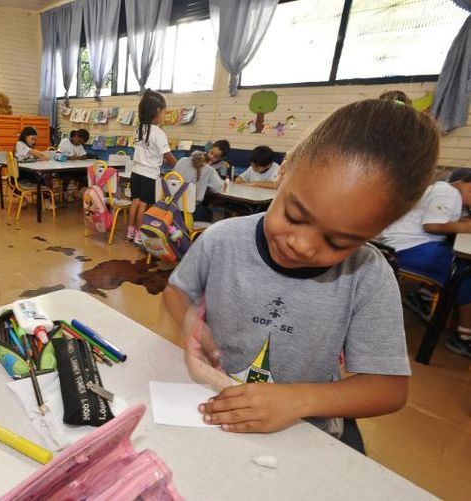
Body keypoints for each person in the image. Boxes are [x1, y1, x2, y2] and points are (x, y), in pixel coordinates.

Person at [163, 99, 439, 453]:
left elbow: (389, 389)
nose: (302, 246)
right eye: (294, 215)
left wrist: (297, 401)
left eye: (338, 242)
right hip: (214, 408)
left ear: (379, 229)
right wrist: (192, 323)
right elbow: (176, 292)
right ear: (285, 169)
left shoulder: (368, 276)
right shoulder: (222, 239)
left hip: (302, 434)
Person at [379, 168, 471, 357]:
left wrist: (461, 221)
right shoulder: (449, 194)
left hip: (404, 246)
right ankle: (464, 336)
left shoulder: (445, 190)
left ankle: (422, 296)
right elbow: (432, 225)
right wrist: (466, 226)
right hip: (407, 250)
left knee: (455, 259)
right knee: (465, 272)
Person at [127, 90, 177, 245]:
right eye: (164, 111)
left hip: (135, 172)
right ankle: (139, 235)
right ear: (157, 111)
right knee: (143, 205)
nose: (164, 115)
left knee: (135, 202)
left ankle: (130, 233)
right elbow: (169, 158)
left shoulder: (139, 129)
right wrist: (179, 166)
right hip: (149, 175)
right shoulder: (159, 133)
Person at [173, 151, 224, 223]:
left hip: (173, 207)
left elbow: (172, 178)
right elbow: (218, 188)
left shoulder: (182, 160)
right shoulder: (209, 170)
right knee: (210, 213)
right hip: (191, 212)